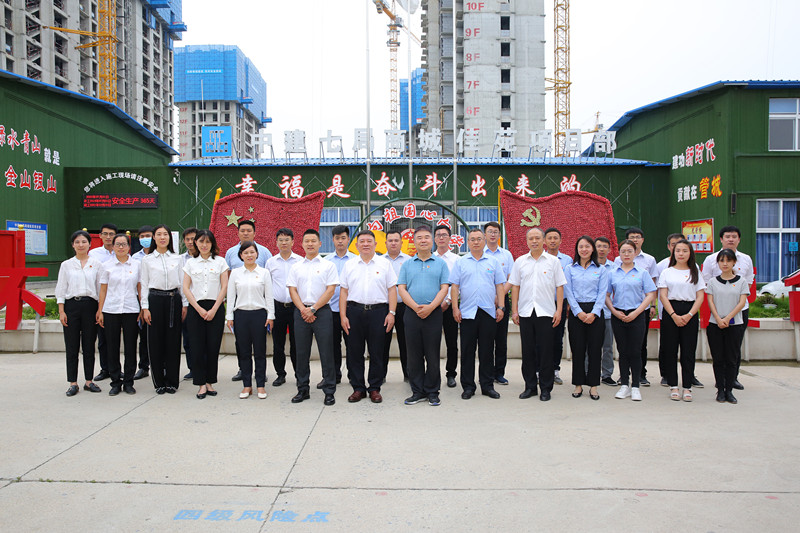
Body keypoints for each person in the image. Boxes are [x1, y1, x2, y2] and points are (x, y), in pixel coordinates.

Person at [340, 230, 398, 403]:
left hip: (379, 312)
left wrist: (392, 313)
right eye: (362, 241)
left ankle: (374, 388)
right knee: (354, 352)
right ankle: (358, 388)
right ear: (357, 245)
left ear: (375, 244)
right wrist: (343, 316)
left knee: (377, 351)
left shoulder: (384, 264)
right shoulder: (349, 265)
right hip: (354, 312)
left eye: (369, 241)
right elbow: (344, 291)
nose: (365, 244)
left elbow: (392, 290)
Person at [509, 227, 567, 402]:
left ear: (543, 240)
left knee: (546, 351)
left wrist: (558, 310)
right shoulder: (520, 261)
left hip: (546, 312)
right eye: (531, 238)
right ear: (527, 241)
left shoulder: (553, 262)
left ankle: (546, 388)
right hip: (526, 312)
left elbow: (559, 286)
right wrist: (514, 310)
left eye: (537, 238)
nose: (534, 241)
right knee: (528, 351)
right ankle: (530, 387)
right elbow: (515, 286)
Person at [450, 228, 506, 400]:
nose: (476, 242)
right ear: (468, 242)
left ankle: (487, 386)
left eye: (479, 239)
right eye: (472, 239)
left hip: (488, 312)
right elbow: (455, 287)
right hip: (467, 313)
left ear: (484, 241)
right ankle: (468, 387)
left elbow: (499, 285)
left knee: (487, 351)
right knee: (467, 351)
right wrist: (455, 308)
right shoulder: (461, 262)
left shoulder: (493, 261)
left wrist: (501, 307)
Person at [397, 225, 450, 406]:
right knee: (413, 355)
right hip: (411, 314)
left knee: (432, 354)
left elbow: (444, 288)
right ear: (414, 241)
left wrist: (431, 307)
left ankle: (432, 391)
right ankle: (417, 391)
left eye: (427, 237)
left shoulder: (440, 264)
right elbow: (401, 288)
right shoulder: (407, 264)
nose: (423, 240)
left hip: (433, 314)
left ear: (432, 240)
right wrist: (414, 307)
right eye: (419, 238)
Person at [286, 229, 339, 405]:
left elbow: (330, 290)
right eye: (307, 241)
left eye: (313, 241)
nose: (310, 244)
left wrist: (314, 309)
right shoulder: (296, 267)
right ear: (301, 244)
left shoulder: (328, 265)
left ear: (320, 244)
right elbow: (292, 290)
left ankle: (329, 391)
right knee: (301, 353)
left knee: (326, 352)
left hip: (322, 312)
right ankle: (303, 389)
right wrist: (303, 309)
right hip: (301, 311)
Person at [701, 225, 754, 391]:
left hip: (739, 310)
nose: (731, 239)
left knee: (734, 346)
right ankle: (720, 379)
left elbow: (749, 282)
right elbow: (706, 283)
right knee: (718, 349)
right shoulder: (711, 259)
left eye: (734, 236)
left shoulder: (746, 259)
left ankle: (733, 378)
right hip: (717, 311)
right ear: (721, 239)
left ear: (739, 239)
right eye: (727, 236)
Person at [607, 239, 657, 401]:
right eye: (623, 251)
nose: (626, 254)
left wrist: (637, 312)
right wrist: (614, 311)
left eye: (630, 251)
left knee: (635, 351)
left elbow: (650, 294)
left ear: (635, 253)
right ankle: (624, 385)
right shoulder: (613, 273)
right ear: (619, 254)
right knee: (623, 351)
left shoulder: (642, 273)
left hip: (637, 315)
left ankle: (635, 386)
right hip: (618, 315)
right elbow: (606, 295)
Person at [140, 224, 188, 394]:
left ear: (170, 237)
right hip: (155, 300)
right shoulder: (147, 260)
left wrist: (184, 304)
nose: (162, 237)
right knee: (155, 342)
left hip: (174, 300)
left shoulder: (177, 258)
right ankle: (159, 382)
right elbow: (144, 285)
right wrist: (145, 308)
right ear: (154, 237)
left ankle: (172, 382)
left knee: (173, 343)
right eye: (159, 234)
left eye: (165, 234)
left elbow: (183, 283)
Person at [224, 219, 272, 382]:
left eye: (249, 230)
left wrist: (270, 313)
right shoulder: (231, 253)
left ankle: (260, 375)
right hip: (240, 307)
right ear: (238, 233)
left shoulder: (264, 252)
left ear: (254, 233)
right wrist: (229, 314)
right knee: (241, 345)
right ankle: (243, 371)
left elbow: (268, 283)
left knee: (260, 346)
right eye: (242, 230)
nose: (245, 233)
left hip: (259, 306)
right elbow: (229, 284)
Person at [182, 229, 228, 399]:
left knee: (212, 347)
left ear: (212, 244)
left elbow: (224, 286)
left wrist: (215, 309)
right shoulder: (190, 263)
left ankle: (210, 382)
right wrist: (199, 309)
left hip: (215, 307)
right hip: (196, 309)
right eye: (201, 241)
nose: (204, 245)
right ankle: (201, 384)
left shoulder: (220, 262)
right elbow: (186, 288)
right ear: (196, 243)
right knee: (197, 347)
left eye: (207, 242)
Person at [658, 239, 706, 402]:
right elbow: (663, 295)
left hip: (690, 312)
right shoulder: (667, 272)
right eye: (678, 250)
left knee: (688, 351)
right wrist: (673, 315)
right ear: (673, 252)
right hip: (671, 312)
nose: (681, 254)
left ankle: (687, 387)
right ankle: (673, 385)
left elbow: (700, 296)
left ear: (690, 253)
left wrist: (689, 315)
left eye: (685, 251)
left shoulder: (695, 271)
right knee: (670, 350)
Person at [56, 230, 102, 397]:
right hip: (71, 307)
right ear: (73, 245)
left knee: (89, 345)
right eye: (77, 242)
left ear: (89, 244)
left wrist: (100, 310)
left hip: (90, 306)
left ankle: (89, 381)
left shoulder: (97, 264)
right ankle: (73, 383)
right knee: (72, 346)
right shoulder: (66, 265)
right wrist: (61, 311)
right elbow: (61, 288)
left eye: (84, 242)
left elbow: (100, 289)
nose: (81, 245)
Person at [96, 233, 141, 396]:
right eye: (118, 244)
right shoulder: (106, 266)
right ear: (113, 247)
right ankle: (115, 382)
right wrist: (100, 310)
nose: (121, 247)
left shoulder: (137, 265)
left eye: (124, 244)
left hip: (131, 309)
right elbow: (103, 290)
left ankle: (128, 382)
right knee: (112, 347)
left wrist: (142, 308)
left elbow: (140, 288)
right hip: (111, 310)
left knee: (130, 347)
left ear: (129, 247)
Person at [564, 236, 608, 400]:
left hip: (595, 313)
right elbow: (568, 291)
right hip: (577, 313)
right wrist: (578, 312)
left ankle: (594, 386)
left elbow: (602, 293)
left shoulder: (601, 269)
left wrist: (594, 313)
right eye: (581, 246)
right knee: (578, 350)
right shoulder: (569, 268)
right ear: (577, 249)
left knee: (595, 350)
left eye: (587, 246)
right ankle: (578, 384)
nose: (584, 249)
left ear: (592, 249)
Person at [705, 249, 749, 404]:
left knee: (731, 358)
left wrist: (728, 318)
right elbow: (710, 301)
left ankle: (729, 390)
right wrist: (718, 318)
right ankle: (720, 391)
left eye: (728, 261)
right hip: (715, 324)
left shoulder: (741, 281)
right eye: (721, 261)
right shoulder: (712, 282)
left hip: (734, 324)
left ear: (734, 262)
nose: (725, 264)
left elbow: (742, 303)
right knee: (718, 359)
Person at [265, 228, 302, 387]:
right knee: (278, 344)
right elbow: (267, 287)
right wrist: (269, 311)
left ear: (293, 242)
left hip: (296, 307)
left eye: (287, 239)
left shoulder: (300, 261)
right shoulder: (271, 262)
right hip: (277, 307)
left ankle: (299, 375)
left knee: (297, 343)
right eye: (281, 240)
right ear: (276, 242)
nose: (284, 242)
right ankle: (280, 374)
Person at [323, 225, 356, 388]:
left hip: (351, 310)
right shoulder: (326, 261)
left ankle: (353, 376)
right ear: (333, 240)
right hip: (330, 310)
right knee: (331, 345)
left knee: (352, 345)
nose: (340, 241)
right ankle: (333, 376)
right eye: (337, 238)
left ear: (348, 239)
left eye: (343, 238)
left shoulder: (356, 260)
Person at [655, 233, 689, 387]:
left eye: (682, 246)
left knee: (688, 347)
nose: (678, 250)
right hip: (668, 311)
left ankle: (689, 378)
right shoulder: (662, 266)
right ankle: (666, 375)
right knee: (667, 346)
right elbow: (659, 291)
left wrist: (690, 313)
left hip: (688, 312)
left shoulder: (693, 268)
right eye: (674, 245)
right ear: (669, 247)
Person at [483, 221, 514, 385]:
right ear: (485, 235)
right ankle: (486, 373)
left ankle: (499, 373)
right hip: (485, 302)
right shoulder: (480, 253)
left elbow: (511, 278)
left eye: (495, 231)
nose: (493, 234)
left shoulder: (506, 255)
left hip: (502, 302)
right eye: (490, 231)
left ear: (499, 235)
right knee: (486, 339)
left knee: (501, 339)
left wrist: (500, 297)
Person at [89, 222, 117, 382]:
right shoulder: (94, 254)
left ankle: (116, 369)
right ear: (100, 236)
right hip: (101, 299)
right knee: (103, 338)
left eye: (111, 234)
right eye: (105, 234)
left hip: (117, 300)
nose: (108, 237)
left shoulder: (121, 252)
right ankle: (105, 368)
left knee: (115, 338)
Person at [544, 227, 572, 386]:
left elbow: (569, 283)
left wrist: (567, 304)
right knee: (541, 338)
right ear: (545, 241)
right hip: (543, 303)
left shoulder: (567, 260)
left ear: (561, 240)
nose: (553, 241)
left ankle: (555, 370)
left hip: (560, 303)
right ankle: (541, 370)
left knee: (557, 338)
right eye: (549, 238)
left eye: (555, 238)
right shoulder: (540, 258)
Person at [434, 224, 460, 388]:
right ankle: (433, 374)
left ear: (450, 238)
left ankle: (451, 374)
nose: (441, 237)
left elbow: (458, 284)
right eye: (438, 235)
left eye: (444, 235)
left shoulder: (457, 260)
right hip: (432, 307)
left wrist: (449, 301)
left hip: (451, 306)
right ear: (434, 239)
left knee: (452, 342)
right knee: (432, 343)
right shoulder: (430, 258)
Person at [383, 230, 410, 382]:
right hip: (384, 308)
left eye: (396, 240)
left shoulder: (409, 261)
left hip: (404, 307)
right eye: (390, 240)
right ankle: (380, 375)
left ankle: (408, 374)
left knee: (406, 342)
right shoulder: (379, 261)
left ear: (401, 242)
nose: (393, 243)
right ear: (385, 243)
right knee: (382, 342)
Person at [131, 225, 154, 381]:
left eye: (148, 236)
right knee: (143, 336)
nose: (146, 239)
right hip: (141, 299)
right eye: (142, 236)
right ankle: (143, 367)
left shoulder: (161, 255)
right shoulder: (134, 258)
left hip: (159, 297)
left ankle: (162, 366)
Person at [594, 237, 617, 386]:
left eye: (604, 246)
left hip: (608, 313)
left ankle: (607, 374)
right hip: (592, 313)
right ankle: (589, 372)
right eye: (598, 246)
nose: (601, 249)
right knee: (590, 346)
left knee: (608, 347)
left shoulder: (614, 268)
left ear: (609, 249)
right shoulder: (589, 266)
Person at [180, 227, 199, 381]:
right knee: (188, 339)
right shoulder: (179, 260)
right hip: (185, 305)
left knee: (202, 340)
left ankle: (203, 368)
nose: (190, 242)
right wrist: (183, 304)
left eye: (193, 239)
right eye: (187, 239)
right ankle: (192, 368)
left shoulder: (207, 258)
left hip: (202, 304)